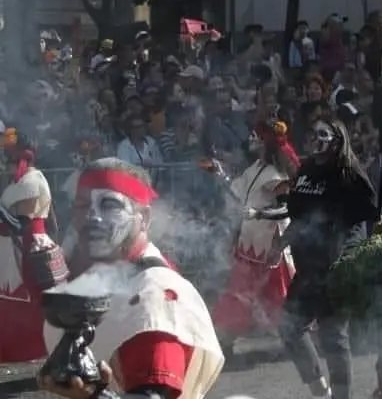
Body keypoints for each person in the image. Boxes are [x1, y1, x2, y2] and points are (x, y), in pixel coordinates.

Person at [37, 158, 223, 399]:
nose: (93, 217)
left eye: (109, 205)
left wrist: (94, 396)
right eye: (83, 205)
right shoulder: (99, 275)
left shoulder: (153, 297)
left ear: (143, 218)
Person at [251, 118, 382, 399]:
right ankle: (319, 391)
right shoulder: (307, 170)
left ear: (336, 140)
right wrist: (281, 243)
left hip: (335, 265)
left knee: (333, 337)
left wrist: (349, 257)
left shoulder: (348, 173)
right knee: (290, 327)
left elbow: (365, 217)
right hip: (308, 265)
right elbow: (296, 213)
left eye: (321, 134)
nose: (314, 138)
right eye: (312, 133)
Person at [212, 120, 300, 359]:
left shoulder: (277, 175)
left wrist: (276, 245)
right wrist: (221, 176)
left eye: (256, 135)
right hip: (249, 244)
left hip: (270, 247)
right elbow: (237, 193)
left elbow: (287, 210)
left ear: (266, 141)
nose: (251, 138)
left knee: (278, 299)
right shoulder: (256, 167)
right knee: (239, 292)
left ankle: (296, 341)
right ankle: (228, 339)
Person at [0, 129, 57, 364]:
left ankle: (32, 348)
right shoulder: (25, 180)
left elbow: (20, 224)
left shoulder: (31, 181)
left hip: (25, 247)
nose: (7, 164)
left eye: (10, 159)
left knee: (29, 299)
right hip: (16, 246)